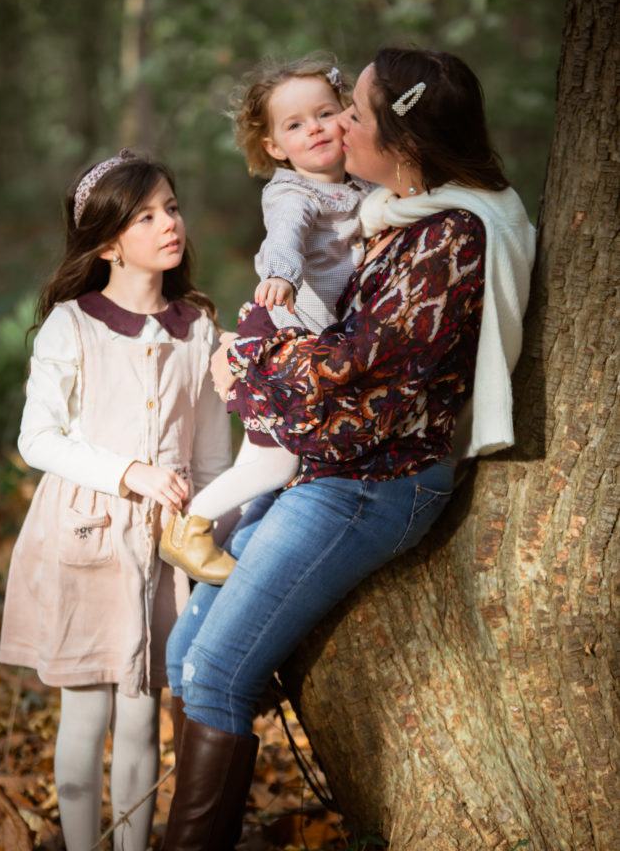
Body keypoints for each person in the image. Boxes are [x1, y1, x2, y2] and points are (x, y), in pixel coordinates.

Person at [158, 47, 537, 850]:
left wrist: (246, 365)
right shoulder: (393, 212)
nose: (337, 125)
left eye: (352, 113)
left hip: (376, 482)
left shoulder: (450, 239)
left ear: (398, 140)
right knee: (187, 651)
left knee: (221, 673)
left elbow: (365, 382)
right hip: (329, 464)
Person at [0, 150, 232, 851]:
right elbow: (37, 438)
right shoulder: (72, 325)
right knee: (86, 713)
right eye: (146, 216)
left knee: (142, 717)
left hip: (163, 547)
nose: (169, 224)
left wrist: (215, 532)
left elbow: (213, 457)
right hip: (85, 536)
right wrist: (129, 471)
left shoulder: (198, 330)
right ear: (106, 243)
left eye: (172, 207)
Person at [158, 56, 373, 584]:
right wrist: (281, 275)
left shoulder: (362, 185)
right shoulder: (291, 193)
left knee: (259, 461)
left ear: (347, 114)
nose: (315, 129)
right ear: (276, 147)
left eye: (325, 113)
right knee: (278, 463)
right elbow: (286, 235)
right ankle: (189, 530)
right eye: (295, 125)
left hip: (307, 344)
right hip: (279, 336)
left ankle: (211, 535)